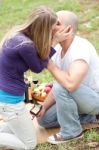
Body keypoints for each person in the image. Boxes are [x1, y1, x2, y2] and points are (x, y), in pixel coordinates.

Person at [0, 6, 68, 150]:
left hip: (5, 95)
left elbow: (34, 60)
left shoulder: (18, 35)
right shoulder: (26, 45)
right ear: (44, 29)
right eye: (54, 26)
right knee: (29, 144)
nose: (57, 28)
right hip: (9, 101)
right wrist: (54, 42)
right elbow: (38, 67)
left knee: (20, 128)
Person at [37, 10, 99, 144]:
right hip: (79, 99)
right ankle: (92, 117)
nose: (51, 26)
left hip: (95, 98)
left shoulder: (80, 48)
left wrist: (50, 64)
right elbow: (59, 82)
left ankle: (71, 132)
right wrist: (44, 106)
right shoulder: (59, 50)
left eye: (57, 23)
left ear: (68, 29)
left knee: (63, 85)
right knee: (44, 119)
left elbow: (70, 84)